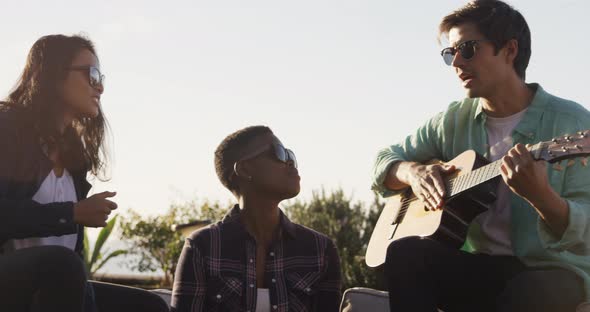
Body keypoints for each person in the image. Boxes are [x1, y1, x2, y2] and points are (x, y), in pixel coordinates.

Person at [371, 1, 590, 311]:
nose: (457, 62)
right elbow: (385, 159)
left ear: (510, 50)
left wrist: (541, 196)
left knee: (530, 291)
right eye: (450, 53)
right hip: (480, 267)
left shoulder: (572, 123)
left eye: (468, 49)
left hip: (550, 270)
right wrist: (413, 173)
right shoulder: (452, 121)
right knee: (405, 254)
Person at [0, 34, 168, 312]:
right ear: (53, 74)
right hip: (14, 281)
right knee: (61, 264)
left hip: (55, 284)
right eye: (91, 74)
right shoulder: (7, 129)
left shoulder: (74, 154)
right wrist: (72, 213)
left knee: (149, 305)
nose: (100, 87)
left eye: (100, 76)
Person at [171, 126, 342, 312]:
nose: (291, 163)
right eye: (279, 153)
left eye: (290, 155)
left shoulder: (320, 249)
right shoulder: (202, 247)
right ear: (244, 169)